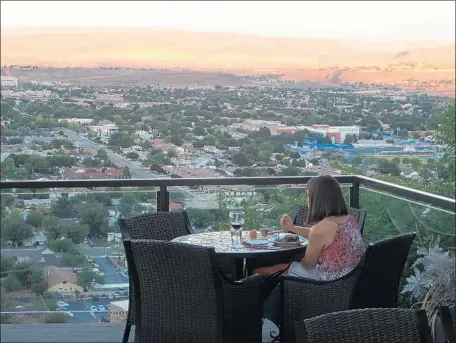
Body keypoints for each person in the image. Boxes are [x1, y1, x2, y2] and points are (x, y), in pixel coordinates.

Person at [254, 175, 365, 281]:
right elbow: (323, 235)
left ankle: (249, 286)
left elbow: (308, 265)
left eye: (308, 196)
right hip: (354, 280)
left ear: (317, 200)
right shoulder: (349, 219)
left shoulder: (320, 229)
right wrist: (292, 227)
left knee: (273, 269)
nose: (307, 200)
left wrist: (299, 260)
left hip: (330, 284)